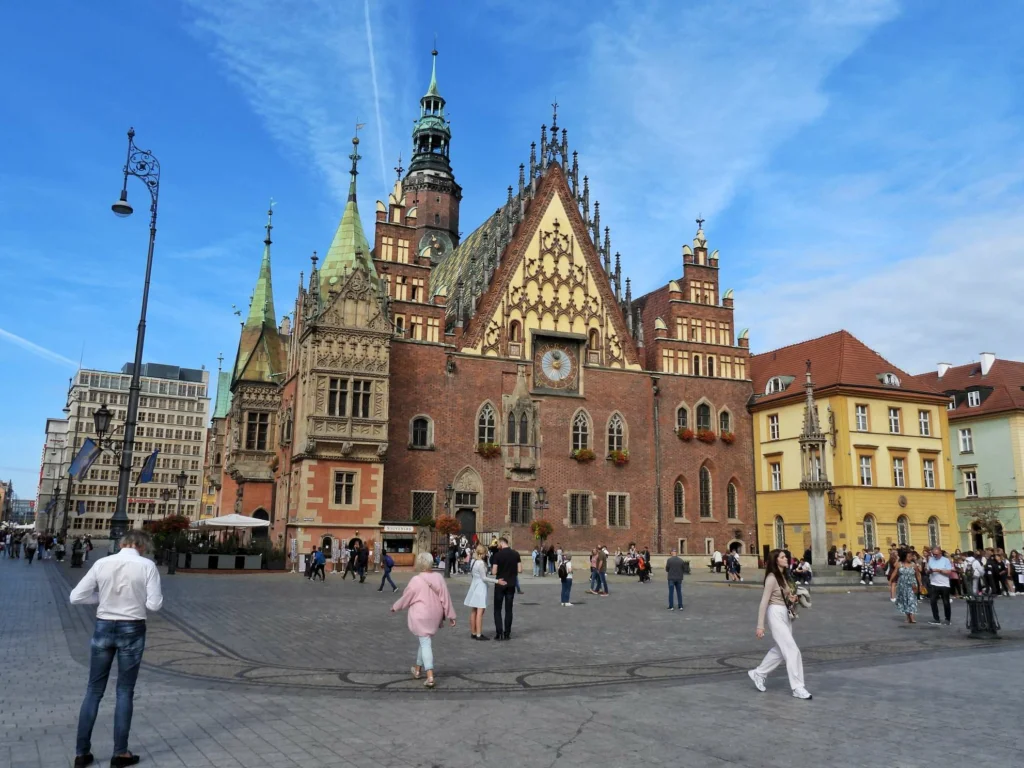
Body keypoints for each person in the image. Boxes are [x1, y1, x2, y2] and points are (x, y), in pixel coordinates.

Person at [71, 529, 163, 767]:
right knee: (124, 691)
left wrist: (102, 599)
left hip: (103, 627)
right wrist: (136, 599)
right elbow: (154, 605)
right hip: (132, 628)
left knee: (93, 690)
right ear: (141, 546)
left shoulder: (102, 563)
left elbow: (76, 597)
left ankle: (82, 753)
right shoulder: (147, 566)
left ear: (122, 544)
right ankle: (120, 752)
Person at [749, 549, 811, 700]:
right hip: (775, 613)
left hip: (785, 613)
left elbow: (784, 596)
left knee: (780, 649)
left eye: (786, 556)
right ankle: (798, 687)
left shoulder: (784, 575)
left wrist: (792, 598)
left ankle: (759, 672)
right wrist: (760, 625)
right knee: (792, 649)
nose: (786, 559)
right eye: (782, 557)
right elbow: (764, 601)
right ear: (775, 560)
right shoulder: (771, 577)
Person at [391, 552, 456, 688]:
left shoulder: (416, 580)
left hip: (420, 615)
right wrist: (451, 615)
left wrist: (396, 607)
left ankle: (430, 676)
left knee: (425, 643)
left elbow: (406, 597)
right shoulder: (438, 577)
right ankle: (417, 669)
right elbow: (446, 597)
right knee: (424, 639)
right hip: (434, 615)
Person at [464, 544, 505, 639]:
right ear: (482, 553)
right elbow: (484, 578)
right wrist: (497, 581)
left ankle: (473, 632)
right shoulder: (481, 563)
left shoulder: (473, 561)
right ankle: (478, 634)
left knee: (474, 610)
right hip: (480, 587)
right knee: (480, 611)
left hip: (474, 585)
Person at [490, 537, 521, 641]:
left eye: (498, 543)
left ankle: (499, 633)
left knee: (497, 609)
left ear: (501, 543)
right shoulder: (515, 554)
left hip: (500, 584)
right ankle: (507, 633)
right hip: (511, 584)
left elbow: (494, 572)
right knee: (509, 609)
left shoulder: (497, 555)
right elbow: (520, 569)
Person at [926, 545, 953, 625]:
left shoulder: (946, 560)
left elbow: (949, 572)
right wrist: (929, 571)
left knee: (946, 602)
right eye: (933, 554)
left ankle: (947, 619)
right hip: (934, 583)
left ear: (940, 553)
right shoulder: (931, 559)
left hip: (944, 584)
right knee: (933, 601)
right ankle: (936, 618)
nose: (935, 556)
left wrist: (939, 570)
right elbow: (927, 570)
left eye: (936, 554)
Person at [894, 550, 921, 624]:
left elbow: (918, 575)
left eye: (911, 556)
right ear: (904, 557)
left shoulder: (913, 565)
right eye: (909, 556)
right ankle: (907, 616)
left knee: (912, 600)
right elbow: (895, 572)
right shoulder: (900, 564)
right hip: (902, 585)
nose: (911, 558)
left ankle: (912, 617)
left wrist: (920, 584)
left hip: (912, 585)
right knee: (904, 600)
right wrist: (890, 581)